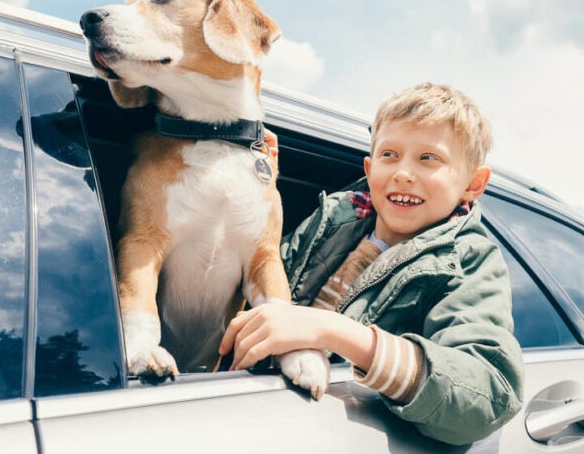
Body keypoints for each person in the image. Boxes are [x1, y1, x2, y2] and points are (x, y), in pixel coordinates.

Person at [219, 82, 524, 445]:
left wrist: (334, 332)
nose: (403, 173)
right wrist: (255, 195)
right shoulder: (330, 221)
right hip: (252, 412)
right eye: (390, 155)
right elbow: (253, 281)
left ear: (473, 185)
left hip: (333, 435)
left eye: (428, 158)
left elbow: (486, 396)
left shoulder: (470, 259)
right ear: (369, 165)